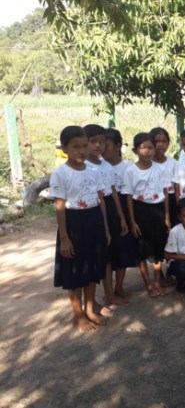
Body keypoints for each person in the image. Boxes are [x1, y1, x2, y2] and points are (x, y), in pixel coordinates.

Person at [50, 125, 110, 332]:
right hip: (74, 224)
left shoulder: (94, 171)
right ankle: (78, 316)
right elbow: (60, 207)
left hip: (94, 221)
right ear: (64, 148)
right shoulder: (60, 173)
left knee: (93, 269)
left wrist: (105, 229)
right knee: (75, 271)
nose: (82, 150)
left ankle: (90, 310)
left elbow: (101, 201)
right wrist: (64, 238)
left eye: (84, 145)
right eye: (76, 146)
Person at [83, 124, 128, 311]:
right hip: (95, 210)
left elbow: (113, 192)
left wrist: (121, 217)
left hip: (111, 209)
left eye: (102, 142)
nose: (98, 146)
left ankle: (116, 291)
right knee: (105, 256)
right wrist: (106, 227)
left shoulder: (106, 165)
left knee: (118, 250)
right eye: (93, 141)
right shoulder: (85, 167)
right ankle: (108, 295)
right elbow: (98, 197)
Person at [122, 132, 171, 298]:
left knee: (157, 247)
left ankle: (157, 282)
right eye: (143, 148)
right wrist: (132, 221)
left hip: (157, 210)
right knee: (141, 249)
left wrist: (167, 216)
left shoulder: (160, 169)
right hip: (140, 211)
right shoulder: (130, 170)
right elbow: (128, 197)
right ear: (135, 150)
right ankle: (148, 284)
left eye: (150, 147)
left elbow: (165, 193)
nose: (147, 151)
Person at [102, 127, 137, 302]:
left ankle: (119, 287)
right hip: (106, 209)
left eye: (106, 145)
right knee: (107, 253)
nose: (102, 149)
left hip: (124, 207)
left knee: (123, 249)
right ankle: (108, 292)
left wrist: (128, 218)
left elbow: (130, 194)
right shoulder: (98, 167)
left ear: (117, 146)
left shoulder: (129, 167)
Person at [151, 127, 179, 226]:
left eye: (164, 141)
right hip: (153, 199)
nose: (160, 145)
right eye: (157, 141)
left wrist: (178, 206)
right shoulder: (148, 164)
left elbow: (177, 186)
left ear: (168, 143)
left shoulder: (174, 163)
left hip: (171, 200)